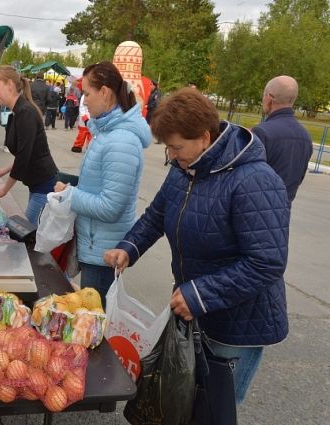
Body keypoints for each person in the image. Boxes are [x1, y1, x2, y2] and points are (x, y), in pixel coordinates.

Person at [104, 88, 290, 406]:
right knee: (186, 403)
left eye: (176, 147)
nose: (172, 156)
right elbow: (157, 214)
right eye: (169, 148)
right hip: (196, 310)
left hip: (235, 326)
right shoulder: (186, 169)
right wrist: (129, 247)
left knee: (213, 410)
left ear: (204, 137)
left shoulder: (254, 180)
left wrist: (199, 294)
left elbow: (266, 262)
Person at [53, 61, 151, 305]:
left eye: (87, 93)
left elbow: (110, 206)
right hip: (97, 244)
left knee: (94, 326)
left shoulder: (121, 141)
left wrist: (70, 194)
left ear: (105, 93)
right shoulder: (107, 132)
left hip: (103, 253)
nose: (84, 100)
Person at [0, 65, 59, 225]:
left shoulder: (25, 112)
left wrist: (5, 189)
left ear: (10, 84)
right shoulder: (20, 111)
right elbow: (25, 153)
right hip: (36, 185)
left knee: (25, 232)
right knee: (27, 231)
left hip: (44, 186)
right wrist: (4, 170)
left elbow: (24, 157)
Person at [252, 75, 313, 203]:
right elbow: (299, 178)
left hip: (256, 209)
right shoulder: (305, 136)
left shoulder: (262, 132)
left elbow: (246, 177)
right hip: (283, 210)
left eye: (264, 95)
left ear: (269, 97)